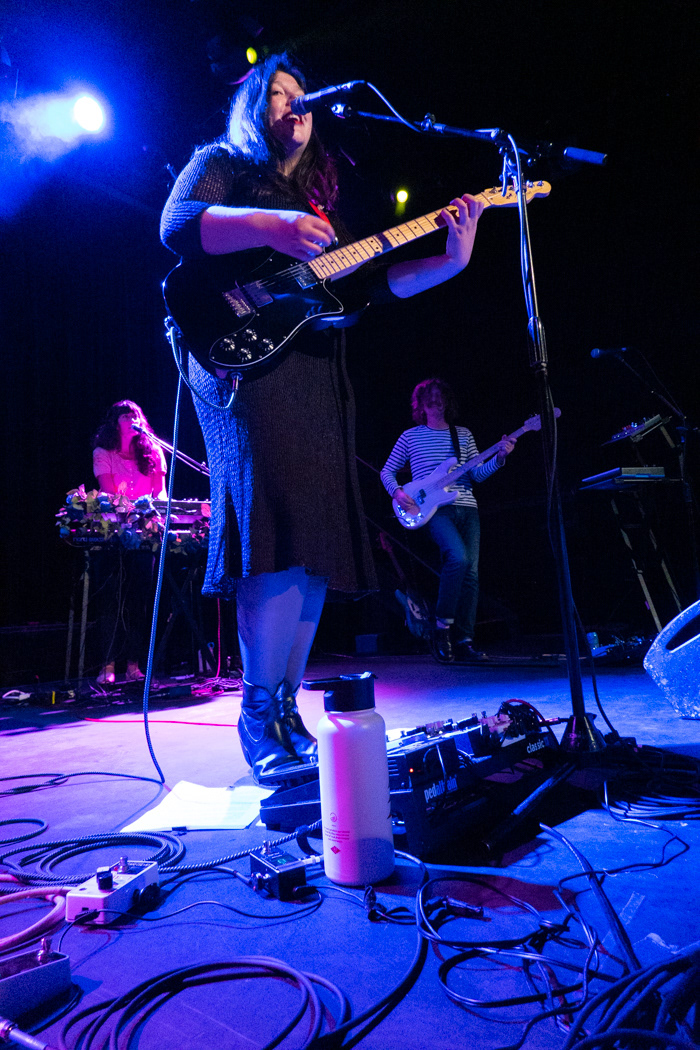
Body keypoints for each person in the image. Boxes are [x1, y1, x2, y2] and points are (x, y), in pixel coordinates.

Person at [159, 53, 485, 783]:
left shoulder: (319, 207)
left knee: (311, 544)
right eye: (278, 95)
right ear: (253, 110)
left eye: (302, 96)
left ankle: (282, 709)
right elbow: (176, 226)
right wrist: (271, 225)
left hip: (313, 375)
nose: (295, 106)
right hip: (243, 367)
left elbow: (371, 287)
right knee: (274, 526)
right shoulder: (223, 165)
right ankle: (256, 711)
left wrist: (451, 261)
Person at [381, 378, 516, 663]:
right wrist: (398, 492)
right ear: (420, 404)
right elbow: (387, 471)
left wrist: (500, 458)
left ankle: (465, 641)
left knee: (471, 574)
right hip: (434, 510)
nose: (435, 401)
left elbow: (477, 474)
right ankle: (442, 628)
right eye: (429, 397)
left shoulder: (463, 435)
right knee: (458, 558)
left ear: (447, 402)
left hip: (467, 507)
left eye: (440, 396)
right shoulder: (410, 437)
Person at [92, 400, 167, 685]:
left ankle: (134, 665)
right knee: (111, 598)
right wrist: (134, 512)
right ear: (115, 423)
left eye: (135, 415)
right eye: (125, 415)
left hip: (145, 532)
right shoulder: (103, 452)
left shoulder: (154, 451)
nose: (131, 419)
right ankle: (108, 666)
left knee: (140, 599)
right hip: (113, 531)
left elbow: (160, 495)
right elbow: (110, 493)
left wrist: (152, 515)